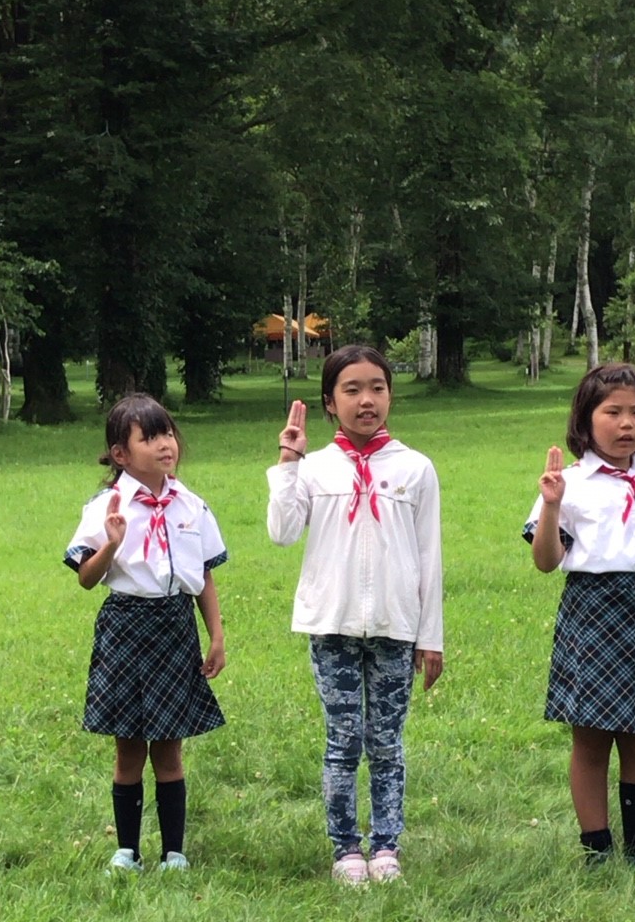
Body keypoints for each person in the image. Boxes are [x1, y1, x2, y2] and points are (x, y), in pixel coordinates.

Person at [267, 344, 443, 886]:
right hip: (332, 626)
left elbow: (429, 556)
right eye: (352, 390)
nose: (367, 400)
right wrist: (289, 462)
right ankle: (346, 848)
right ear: (329, 402)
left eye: (377, 388)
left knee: (387, 743)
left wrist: (430, 636)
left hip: (395, 626)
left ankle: (386, 846)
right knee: (342, 741)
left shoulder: (415, 468)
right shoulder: (315, 468)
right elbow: (282, 532)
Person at [527, 363, 635, 875]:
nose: (626, 424)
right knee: (591, 739)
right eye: (613, 412)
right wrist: (552, 506)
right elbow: (546, 560)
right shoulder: (570, 484)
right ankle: (596, 848)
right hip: (593, 617)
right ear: (586, 419)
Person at [65, 395, 226, 874]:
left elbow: (204, 576)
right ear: (121, 453)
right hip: (125, 627)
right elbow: (86, 578)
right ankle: (127, 851)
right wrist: (112, 544)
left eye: (168, 434)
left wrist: (216, 636)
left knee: (170, 748)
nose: (165, 445)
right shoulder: (105, 508)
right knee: (129, 747)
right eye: (150, 438)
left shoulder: (191, 506)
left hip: (175, 627)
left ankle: (174, 852)